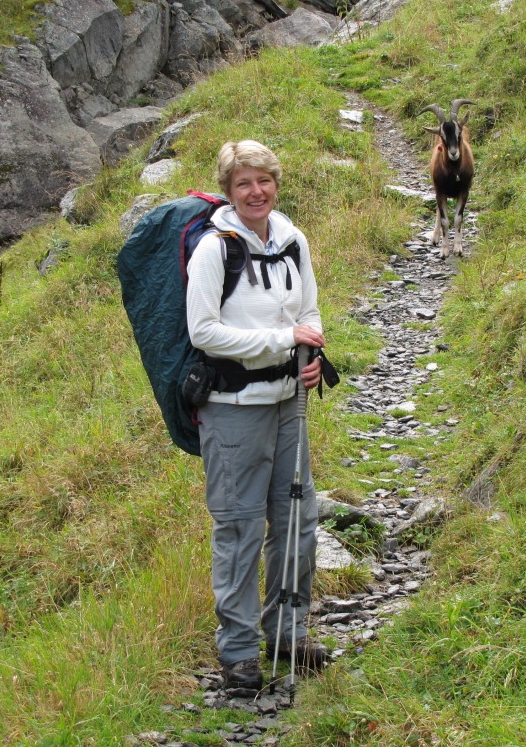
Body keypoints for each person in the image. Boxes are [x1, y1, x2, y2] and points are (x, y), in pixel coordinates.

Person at [186, 139, 328, 691]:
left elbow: (309, 310)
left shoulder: (293, 240)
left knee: (298, 521)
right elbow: (203, 332)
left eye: (264, 180)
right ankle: (240, 653)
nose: (256, 191)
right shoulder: (213, 250)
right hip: (233, 409)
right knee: (241, 527)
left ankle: (288, 633)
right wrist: (281, 340)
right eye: (243, 183)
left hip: (289, 406)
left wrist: (311, 352)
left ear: (276, 183)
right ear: (227, 190)